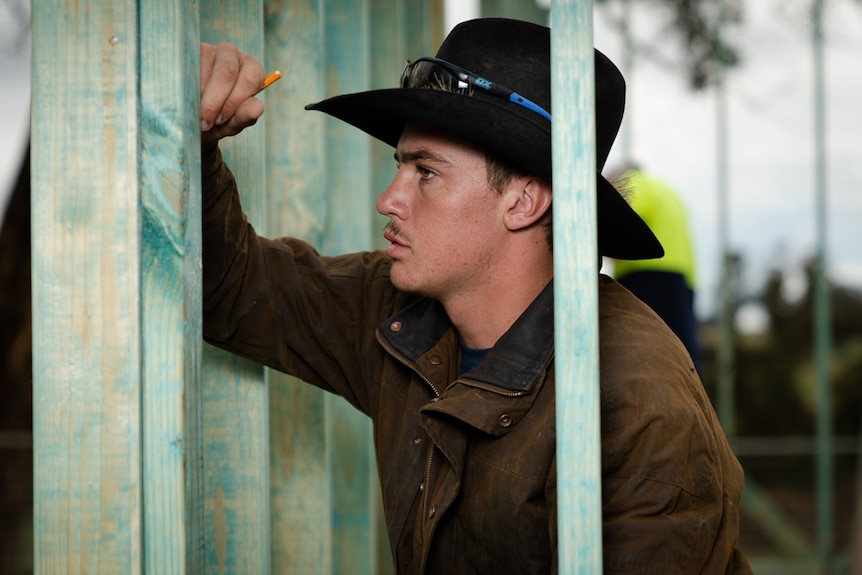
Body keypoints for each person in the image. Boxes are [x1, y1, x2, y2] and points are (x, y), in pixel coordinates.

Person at [198, 18, 752, 574]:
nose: (388, 199)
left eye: (426, 173)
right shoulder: (399, 314)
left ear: (524, 201)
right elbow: (232, 289)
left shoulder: (636, 405)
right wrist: (193, 134)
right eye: (401, 166)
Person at [612, 166, 703, 370]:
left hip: (643, 273)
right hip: (682, 277)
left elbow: (622, 218)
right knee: (680, 346)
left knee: (637, 346)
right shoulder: (670, 192)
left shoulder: (632, 183)